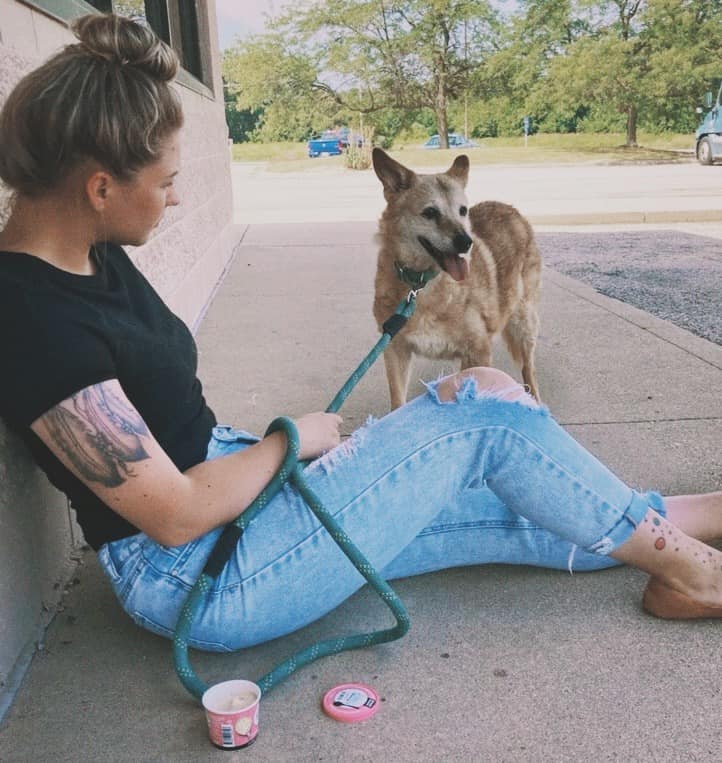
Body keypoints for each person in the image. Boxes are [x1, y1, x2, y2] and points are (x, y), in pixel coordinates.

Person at [0, 15, 720, 658]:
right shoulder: (34, 321)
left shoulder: (89, 252)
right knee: (487, 406)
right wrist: (291, 439)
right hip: (203, 574)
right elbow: (172, 513)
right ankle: (690, 571)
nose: (178, 196)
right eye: (166, 181)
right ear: (99, 187)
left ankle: (701, 518)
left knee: (503, 467)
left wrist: (272, 456)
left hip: (236, 498)